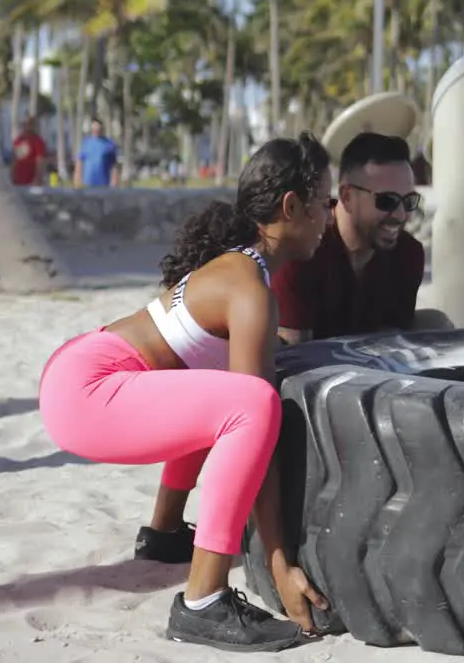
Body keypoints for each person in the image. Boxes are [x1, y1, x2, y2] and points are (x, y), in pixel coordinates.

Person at [38, 133, 335, 652]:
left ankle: (165, 533)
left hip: (78, 371)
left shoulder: (239, 269)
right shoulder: (250, 289)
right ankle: (203, 600)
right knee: (252, 403)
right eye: (327, 203)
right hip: (87, 390)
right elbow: (255, 427)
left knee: (222, 394)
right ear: (293, 207)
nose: (331, 217)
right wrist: (278, 561)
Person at [273, 132, 452, 343]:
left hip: (370, 364)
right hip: (309, 365)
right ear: (347, 197)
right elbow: (293, 352)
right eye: (387, 201)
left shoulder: (407, 253)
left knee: (436, 323)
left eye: (409, 201)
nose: (401, 215)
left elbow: (392, 344)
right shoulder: (304, 249)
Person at [75, 117, 118, 188]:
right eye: (94, 128)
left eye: (98, 128)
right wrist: (77, 181)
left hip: (104, 184)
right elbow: (79, 162)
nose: (96, 130)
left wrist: (114, 182)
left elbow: (114, 165)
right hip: (88, 184)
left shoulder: (109, 144)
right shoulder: (86, 143)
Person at [11, 116, 48, 186]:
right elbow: (14, 161)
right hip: (18, 182)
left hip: (31, 183)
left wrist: (37, 179)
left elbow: (40, 162)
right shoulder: (18, 140)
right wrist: (12, 177)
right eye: (25, 124)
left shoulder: (38, 141)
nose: (28, 127)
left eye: (30, 124)